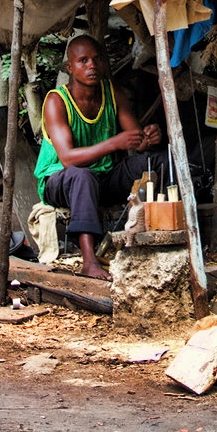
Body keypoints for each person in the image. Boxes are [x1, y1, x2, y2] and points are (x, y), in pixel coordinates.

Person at [33, 35, 164, 280]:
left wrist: (149, 138)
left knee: (154, 162)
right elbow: (68, 159)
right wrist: (115, 142)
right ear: (70, 68)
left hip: (103, 177)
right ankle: (89, 260)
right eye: (83, 61)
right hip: (60, 181)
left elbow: (136, 140)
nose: (91, 65)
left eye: (96, 59)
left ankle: (163, 235)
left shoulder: (112, 93)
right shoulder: (56, 101)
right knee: (82, 175)